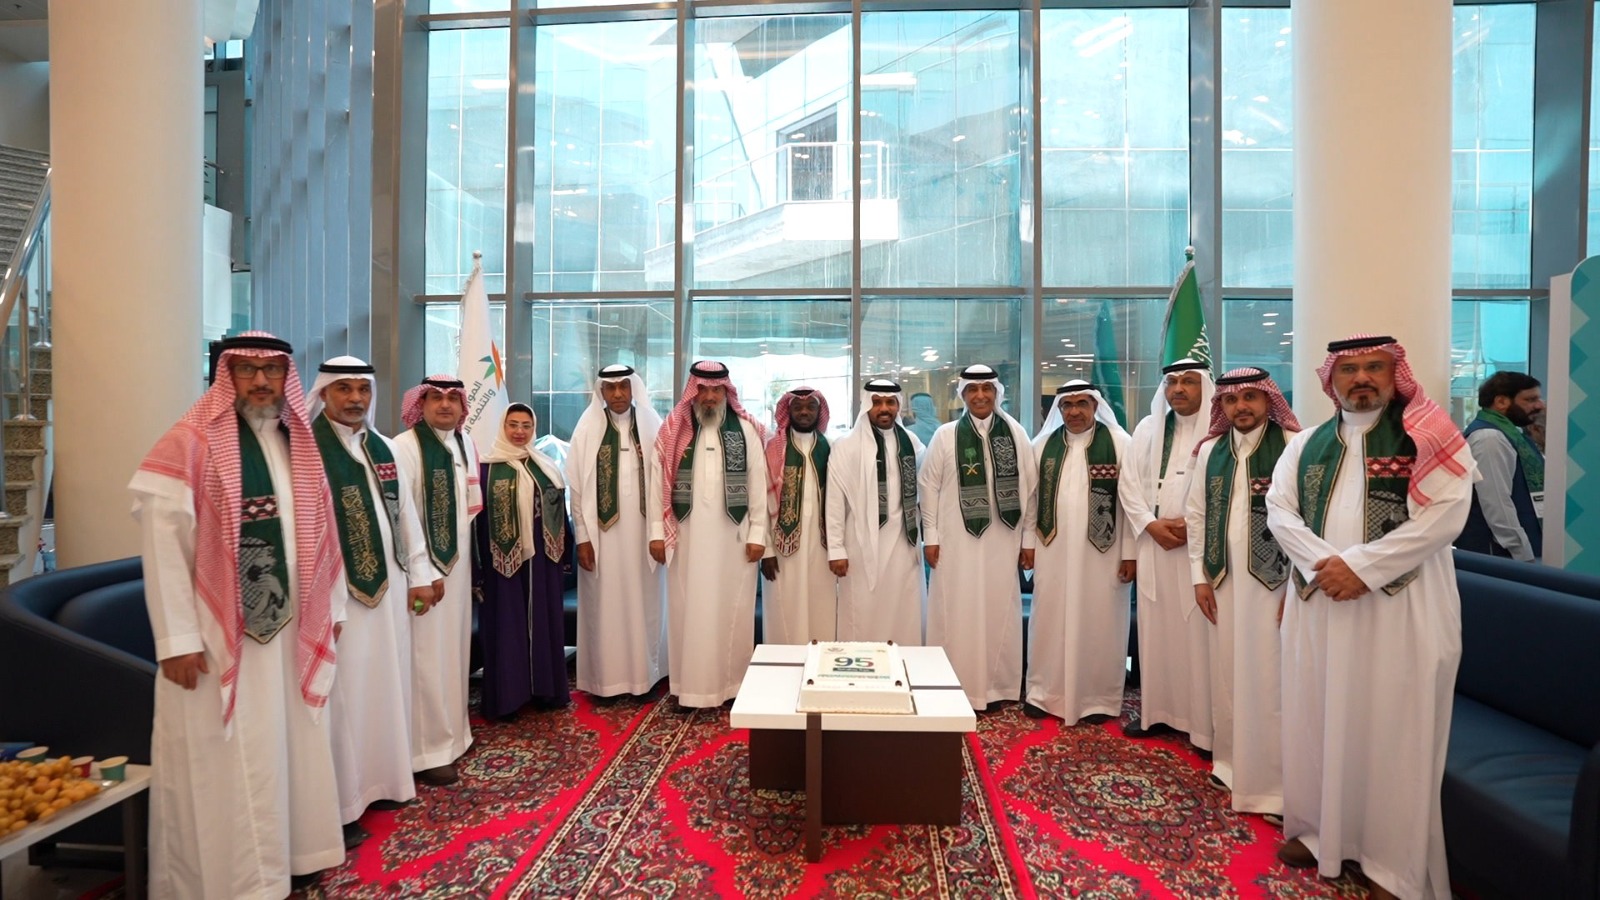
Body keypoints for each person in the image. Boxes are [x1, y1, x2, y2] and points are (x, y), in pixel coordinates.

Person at [129, 331, 344, 897]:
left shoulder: (296, 441)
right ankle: (234, 880)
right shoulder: (190, 442)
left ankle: (293, 854)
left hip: (291, 628)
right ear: (225, 375)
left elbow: (322, 532)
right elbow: (163, 545)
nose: (260, 381)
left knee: (288, 743)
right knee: (228, 757)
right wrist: (176, 639)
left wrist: (333, 606)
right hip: (214, 638)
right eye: (246, 369)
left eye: (271, 370)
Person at [1266, 334, 1476, 900]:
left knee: (1393, 727)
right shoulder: (1305, 443)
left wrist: (1361, 568)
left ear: (1394, 373)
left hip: (1400, 609)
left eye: (1374, 367)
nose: (1361, 378)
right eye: (1349, 369)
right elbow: (1280, 511)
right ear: (1331, 379)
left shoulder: (1430, 438)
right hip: (1321, 603)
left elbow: (1446, 517)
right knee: (1316, 714)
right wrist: (1325, 567)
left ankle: (1394, 866)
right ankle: (1319, 832)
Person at [306, 357, 438, 847]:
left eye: (362, 389)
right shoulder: (307, 450)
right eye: (343, 389)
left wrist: (420, 575)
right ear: (323, 393)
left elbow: (407, 518)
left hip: (390, 591)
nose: (355, 398)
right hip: (337, 598)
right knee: (343, 695)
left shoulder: (382, 447)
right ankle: (342, 803)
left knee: (386, 682)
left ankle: (382, 783)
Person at [1183, 367, 1300, 817]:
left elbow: (1308, 520)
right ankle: (1231, 764)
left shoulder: (1293, 445)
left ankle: (1275, 782)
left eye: (1251, 397)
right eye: (1231, 400)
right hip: (1222, 581)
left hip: (1276, 585)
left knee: (1271, 676)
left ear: (1269, 400)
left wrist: (1299, 584)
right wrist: (1198, 575)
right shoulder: (1211, 450)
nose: (1241, 407)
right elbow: (1196, 514)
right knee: (1228, 671)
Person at [649, 361, 771, 709]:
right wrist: (656, 533)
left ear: (726, 392)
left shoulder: (746, 431)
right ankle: (689, 687)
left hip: (734, 540)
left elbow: (758, 484)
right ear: (694, 391)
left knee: (731, 611)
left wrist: (758, 533)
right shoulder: (673, 430)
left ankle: (732, 685)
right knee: (687, 609)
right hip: (685, 539)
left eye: (717, 390)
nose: (710, 397)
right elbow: (656, 484)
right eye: (703, 389)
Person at [919, 364, 1038, 711]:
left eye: (987, 389)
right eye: (973, 390)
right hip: (955, 542)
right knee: (956, 609)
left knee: (998, 610)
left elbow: (1030, 491)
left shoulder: (1016, 433)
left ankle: (996, 687)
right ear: (963, 395)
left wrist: (1028, 541)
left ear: (997, 392)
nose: (980, 396)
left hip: (1004, 540)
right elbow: (928, 487)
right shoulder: (945, 435)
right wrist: (931, 536)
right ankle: (952, 684)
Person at [1025, 381, 1135, 724]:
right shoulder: (1042, 446)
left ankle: (1097, 698)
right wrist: (1028, 544)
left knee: (1101, 621)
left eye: (1081, 404)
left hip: (1104, 556)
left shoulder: (1120, 443)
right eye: (1067, 405)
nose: (1074, 411)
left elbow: (1132, 504)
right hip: (1052, 551)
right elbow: (1030, 501)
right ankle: (1043, 693)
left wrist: (1130, 553)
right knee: (1048, 619)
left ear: (1095, 406)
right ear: (1058, 409)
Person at [392, 375, 483, 786]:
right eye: (435, 398)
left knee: (453, 653)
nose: (445, 405)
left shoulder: (464, 443)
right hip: (423, 576)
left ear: (463, 406)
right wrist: (424, 572)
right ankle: (426, 752)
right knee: (425, 656)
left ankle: (453, 736)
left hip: (457, 572)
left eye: (452, 399)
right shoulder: (405, 447)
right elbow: (403, 516)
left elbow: (468, 512)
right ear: (421, 403)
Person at [1120, 359, 1215, 750]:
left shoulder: (1218, 429)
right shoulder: (1147, 428)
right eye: (1172, 382)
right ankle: (1156, 713)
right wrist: (1150, 524)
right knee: (1156, 631)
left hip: (1200, 549)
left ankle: (1203, 728)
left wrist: (1194, 526)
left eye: (1189, 381)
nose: (1179, 389)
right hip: (1154, 545)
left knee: (1199, 635)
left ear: (1205, 386)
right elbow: (1128, 484)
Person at [564, 364, 667, 700]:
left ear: (633, 388)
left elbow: (664, 484)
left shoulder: (652, 426)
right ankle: (607, 681)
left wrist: (659, 532)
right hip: (601, 538)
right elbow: (576, 488)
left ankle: (646, 676)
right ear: (602, 392)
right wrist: (582, 538)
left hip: (644, 536)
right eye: (611, 388)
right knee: (605, 606)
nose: (619, 393)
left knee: (645, 602)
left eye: (624, 386)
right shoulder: (587, 429)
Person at [473, 403, 573, 717]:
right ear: (502, 427)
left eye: (526, 426)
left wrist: (566, 553)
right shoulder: (486, 469)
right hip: (502, 563)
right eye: (513, 424)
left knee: (544, 622)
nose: (519, 431)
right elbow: (475, 523)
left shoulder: (545, 466)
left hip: (543, 561)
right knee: (507, 625)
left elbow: (560, 513)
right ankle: (509, 698)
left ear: (534, 428)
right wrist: (477, 571)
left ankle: (546, 690)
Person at [825, 379, 925, 647]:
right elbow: (834, 502)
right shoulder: (846, 446)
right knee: (862, 614)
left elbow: (925, 492)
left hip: (903, 545)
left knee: (903, 613)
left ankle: (900, 667)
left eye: (890, 402)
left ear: (898, 406)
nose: (884, 408)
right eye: (877, 402)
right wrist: (836, 549)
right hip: (859, 545)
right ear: (866, 405)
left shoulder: (912, 443)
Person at [761, 388, 837, 643]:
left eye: (811, 407)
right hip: (781, 548)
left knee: (821, 604)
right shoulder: (773, 449)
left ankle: (819, 658)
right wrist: (767, 551)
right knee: (785, 607)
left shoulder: (831, 447)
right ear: (788, 411)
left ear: (819, 411)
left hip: (822, 546)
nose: (804, 412)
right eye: (798, 407)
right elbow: (762, 502)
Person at [1457, 370, 1545, 561]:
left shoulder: (1512, 434)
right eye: (1530, 399)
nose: (1540, 405)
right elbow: (1496, 504)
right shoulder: (1489, 438)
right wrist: (1523, 555)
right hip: (1497, 554)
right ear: (1501, 402)